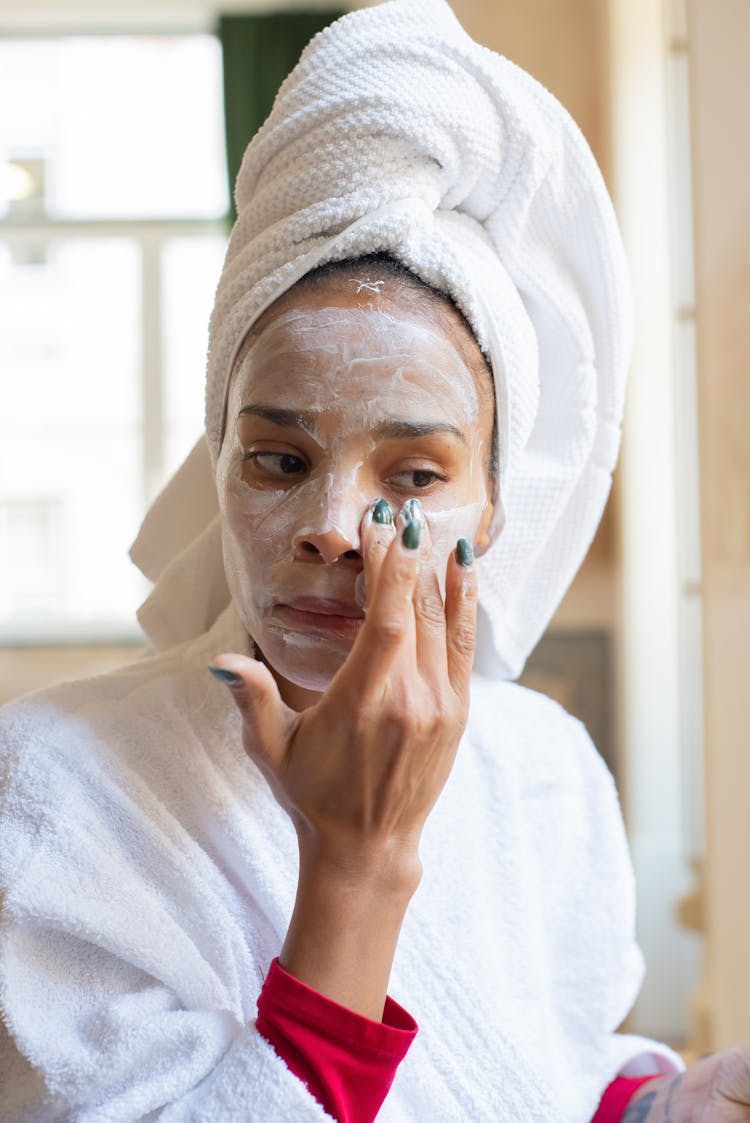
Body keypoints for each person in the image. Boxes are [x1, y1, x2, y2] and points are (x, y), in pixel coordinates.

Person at [2, 1, 749, 1120]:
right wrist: (355, 866)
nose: (335, 525)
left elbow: (543, 1068)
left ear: (494, 505)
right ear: (218, 472)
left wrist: (656, 1104)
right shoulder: (51, 791)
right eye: (278, 456)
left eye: (412, 476)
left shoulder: (543, 765)